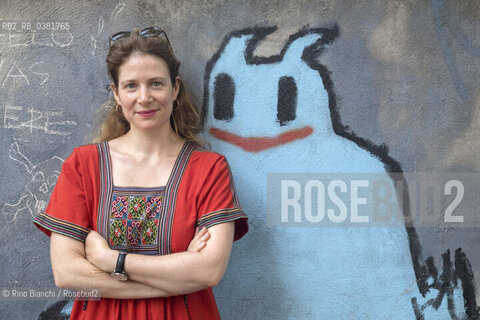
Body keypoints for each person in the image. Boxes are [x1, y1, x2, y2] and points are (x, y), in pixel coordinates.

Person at [33, 27, 248, 320]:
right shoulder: (83, 166)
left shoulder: (209, 169)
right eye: (131, 85)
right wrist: (176, 276)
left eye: (156, 83)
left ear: (175, 89)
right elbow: (67, 273)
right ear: (116, 94)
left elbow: (208, 270)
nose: (144, 97)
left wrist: (110, 260)